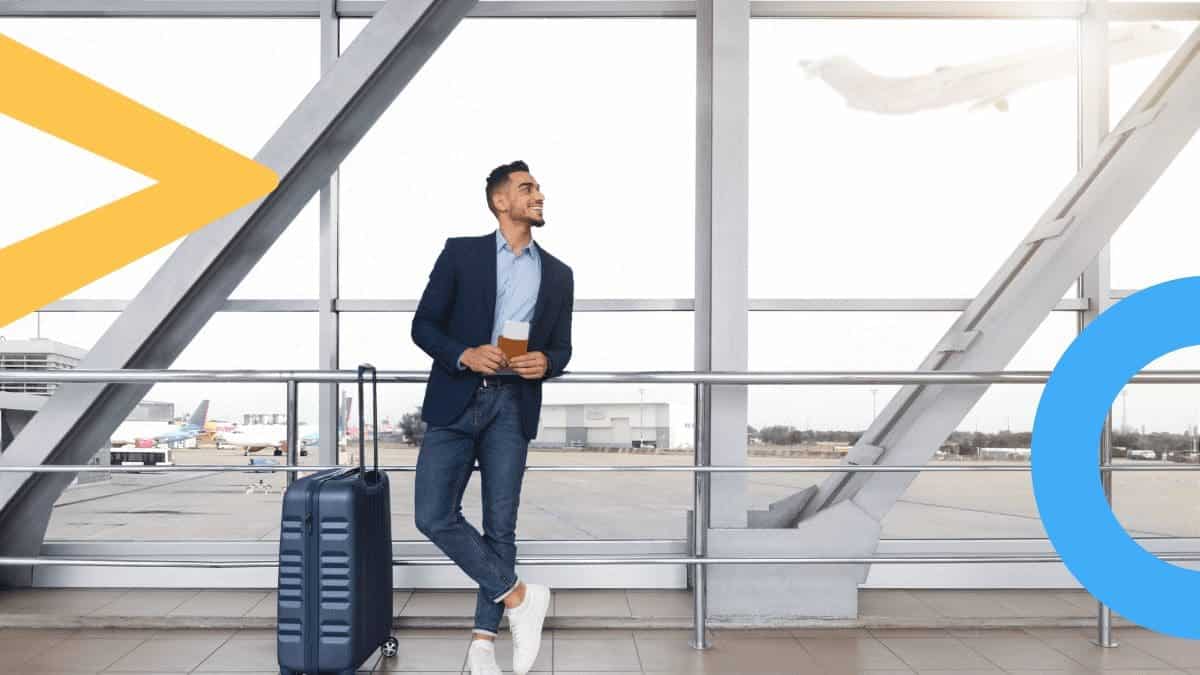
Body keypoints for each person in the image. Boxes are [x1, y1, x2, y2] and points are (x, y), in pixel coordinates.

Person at [411, 161, 574, 675]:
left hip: (513, 405)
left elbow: (563, 347)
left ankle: (483, 645)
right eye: (527, 188)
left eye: (538, 188)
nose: (539, 194)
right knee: (433, 515)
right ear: (500, 202)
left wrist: (547, 361)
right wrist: (463, 353)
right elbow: (423, 326)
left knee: (501, 528)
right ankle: (520, 596)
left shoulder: (560, 274)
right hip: (459, 397)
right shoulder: (462, 253)